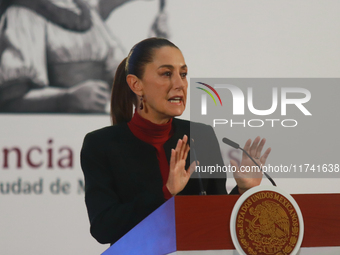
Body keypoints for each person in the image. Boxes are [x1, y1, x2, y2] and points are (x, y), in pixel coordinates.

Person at [80, 37, 271, 244]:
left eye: (183, 74)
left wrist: (244, 189)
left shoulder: (201, 136)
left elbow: (217, 217)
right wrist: (166, 192)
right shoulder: (101, 145)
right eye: (167, 74)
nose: (180, 84)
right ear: (136, 84)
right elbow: (103, 227)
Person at [0, 0, 168, 113]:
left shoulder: (89, 14)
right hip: (49, 141)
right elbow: (11, 99)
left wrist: (153, 48)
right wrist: (67, 98)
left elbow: (122, 78)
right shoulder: (22, 15)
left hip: (92, 129)